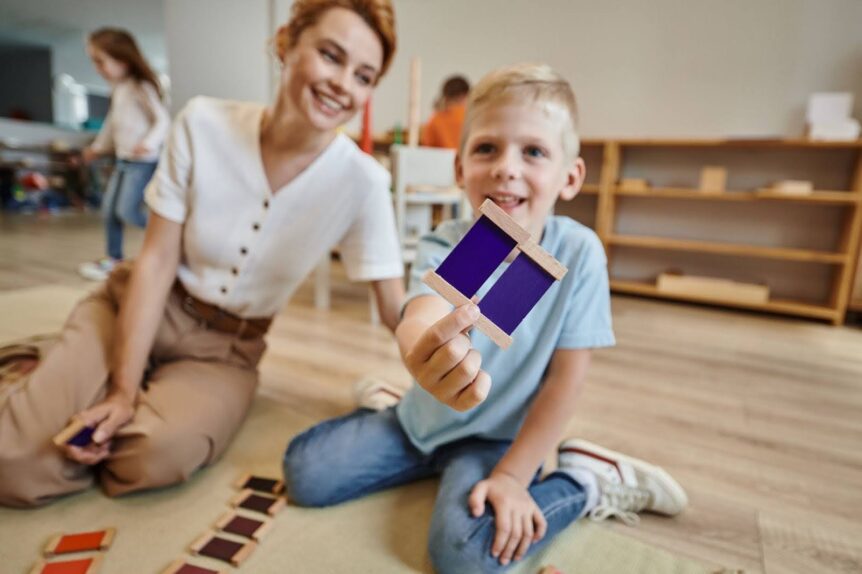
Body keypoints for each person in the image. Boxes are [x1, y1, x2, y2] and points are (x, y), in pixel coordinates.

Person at [283, 63, 688, 573]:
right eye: (486, 149)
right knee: (305, 474)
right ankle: (391, 401)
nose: (506, 168)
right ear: (459, 169)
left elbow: (567, 380)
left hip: (495, 439)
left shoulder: (577, 252)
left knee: (466, 558)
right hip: (421, 421)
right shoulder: (454, 243)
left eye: (533, 152)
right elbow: (420, 314)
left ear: (570, 176)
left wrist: (516, 477)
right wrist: (419, 348)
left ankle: (584, 479)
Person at [0, 0, 404, 507]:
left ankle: (96, 380)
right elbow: (156, 260)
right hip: (144, 303)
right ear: (286, 43)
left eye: (364, 76)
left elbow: (395, 311)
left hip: (226, 352)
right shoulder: (202, 123)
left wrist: (452, 343)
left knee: (149, 458)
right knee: (15, 464)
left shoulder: (364, 182)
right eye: (330, 55)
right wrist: (124, 390)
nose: (344, 84)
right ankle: (98, 368)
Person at [78, 28, 170, 281]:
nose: (97, 68)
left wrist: (149, 143)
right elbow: (111, 126)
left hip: (142, 161)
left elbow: (162, 120)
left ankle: (169, 238)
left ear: (122, 59)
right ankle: (114, 258)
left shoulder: (140, 87)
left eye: (100, 61)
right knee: (108, 211)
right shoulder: (119, 89)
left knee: (127, 211)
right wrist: (96, 148)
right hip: (123, 160)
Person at [420, 74, 470, 149]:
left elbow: (426, 146)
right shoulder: (468, 117)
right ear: (463, 95)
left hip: (441, 159)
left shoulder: (435, 119)